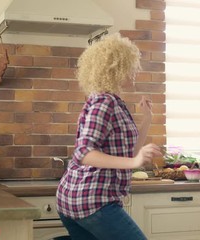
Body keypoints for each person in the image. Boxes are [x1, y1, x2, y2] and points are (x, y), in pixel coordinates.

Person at [56, 33, 161, 240]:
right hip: (92, 200)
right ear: (115, 68)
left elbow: (128, 152)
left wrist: (147, 119)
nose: (134, 72)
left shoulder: (112, 102)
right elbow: (83, 152)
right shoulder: (105, 102)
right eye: (130, 66)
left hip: (78, 199)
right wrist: (135, 161)